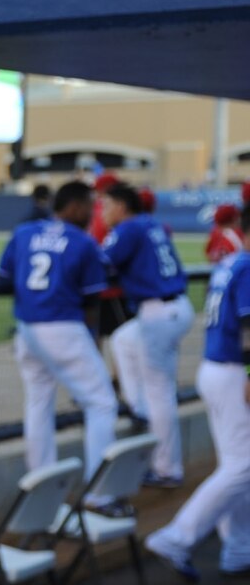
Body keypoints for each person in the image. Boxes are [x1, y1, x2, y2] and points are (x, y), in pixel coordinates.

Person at [0, 179, 119, 486]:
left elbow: (2, 278)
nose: (93, 213)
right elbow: (92, 298)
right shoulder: (82, 241)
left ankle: (40, 484)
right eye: (89, 206)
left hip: (26, 329)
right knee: (102, 403)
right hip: (63, 327)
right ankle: (100, 492)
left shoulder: (24, 232)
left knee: (38, 402)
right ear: (75, 207)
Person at [144, 251, 250, 582]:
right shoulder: (247, 266)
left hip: (216, 368)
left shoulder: (231, 262)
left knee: (237, 465)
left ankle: (238, 549)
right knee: (242, 466)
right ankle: (175, 538)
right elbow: (248, 325)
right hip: (233, 372)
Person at [100, 183, 193, 488]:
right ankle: (138, 407)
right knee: (123, 339)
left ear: (122, 207)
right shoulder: (151, 224)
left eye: (107, 204)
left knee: (161, 394)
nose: (103, 210)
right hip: (173, 307)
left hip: (158, 313)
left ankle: (168, 469)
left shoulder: (128, 228)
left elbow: (100, 263)